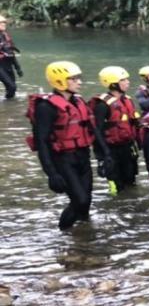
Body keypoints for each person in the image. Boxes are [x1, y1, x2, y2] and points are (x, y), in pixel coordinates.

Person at [26, 62, 110, 230]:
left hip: (83, 157)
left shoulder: (79, 102)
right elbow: (41, 142)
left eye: (78, 78)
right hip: (63, 160)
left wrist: (105, 155)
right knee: (80, 200)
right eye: (74, 79)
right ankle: (63, 234)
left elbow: (93, 130)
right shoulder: (46, 107)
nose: (79, 82)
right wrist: (51, 173)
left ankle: (83, 237)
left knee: (86, 201)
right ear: (59, 81)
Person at [90, 66, 140, 196]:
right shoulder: (102, 105)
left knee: (130, 180)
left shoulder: (127, 100)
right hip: (111, 150)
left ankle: (130, 206)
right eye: (123, 80)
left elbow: (134, 123)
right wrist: (103, 156)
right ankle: (115, 206)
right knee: (116, 186)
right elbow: (97, 132)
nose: (128, 82)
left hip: (127, 147)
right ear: (113, 83)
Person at [0, 15, 23, 100]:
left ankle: (7, 105)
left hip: (8, 64)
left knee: (13, 89)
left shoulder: (6, 36)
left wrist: (18, 68)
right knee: (11, 87)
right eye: (1, 23)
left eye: (4, 23)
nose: (3, 24)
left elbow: (11, 53)